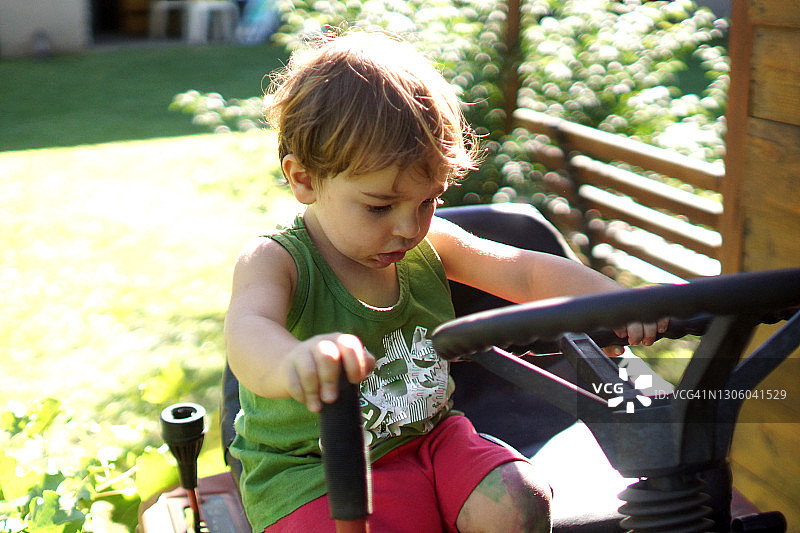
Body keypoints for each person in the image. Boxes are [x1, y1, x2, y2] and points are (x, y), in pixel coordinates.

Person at [225, 30, 668, 533]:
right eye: (379, 206)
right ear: (303, 179)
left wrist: (618, 301)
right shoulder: (276, 261)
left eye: (427, 200)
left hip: (431, 440)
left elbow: (525, 269)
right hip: (311, 470)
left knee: (518, 501)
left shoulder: (431, 243)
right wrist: (291, 361)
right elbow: (248, 333)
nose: (409, 227)